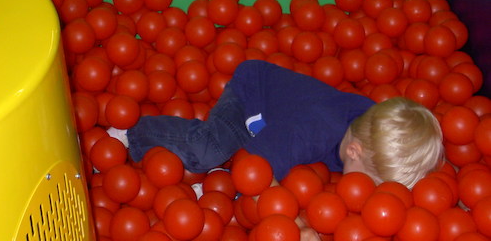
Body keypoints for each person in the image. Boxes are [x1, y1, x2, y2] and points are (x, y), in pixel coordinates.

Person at [110, 59, 443, 189]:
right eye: (374, 183)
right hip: (251, 100)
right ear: (353, 151)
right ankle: (135, 132)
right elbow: (253, 170)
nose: (372, 193)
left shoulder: (374, 128)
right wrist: (297, 225)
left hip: (288, 118)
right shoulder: (316, 129)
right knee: (209, 151)